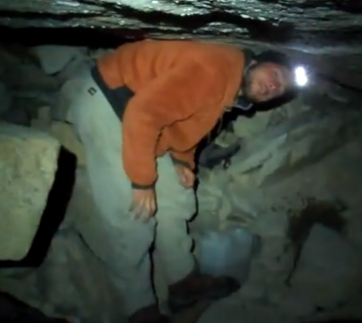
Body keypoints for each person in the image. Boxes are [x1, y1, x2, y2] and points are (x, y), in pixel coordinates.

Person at [63, 39, 299, 323]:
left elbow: (185, 121)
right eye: (275, 75)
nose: (272, 86)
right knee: (134, 214)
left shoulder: (229, 83)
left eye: (279, 89)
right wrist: (142, 182)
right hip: (107, 103)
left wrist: (182, 160)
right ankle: (138, 307)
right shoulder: (214, 69)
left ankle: (182, 280)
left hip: (137, 114)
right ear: (257, 61)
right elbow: (144, 113)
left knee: (177, 198)